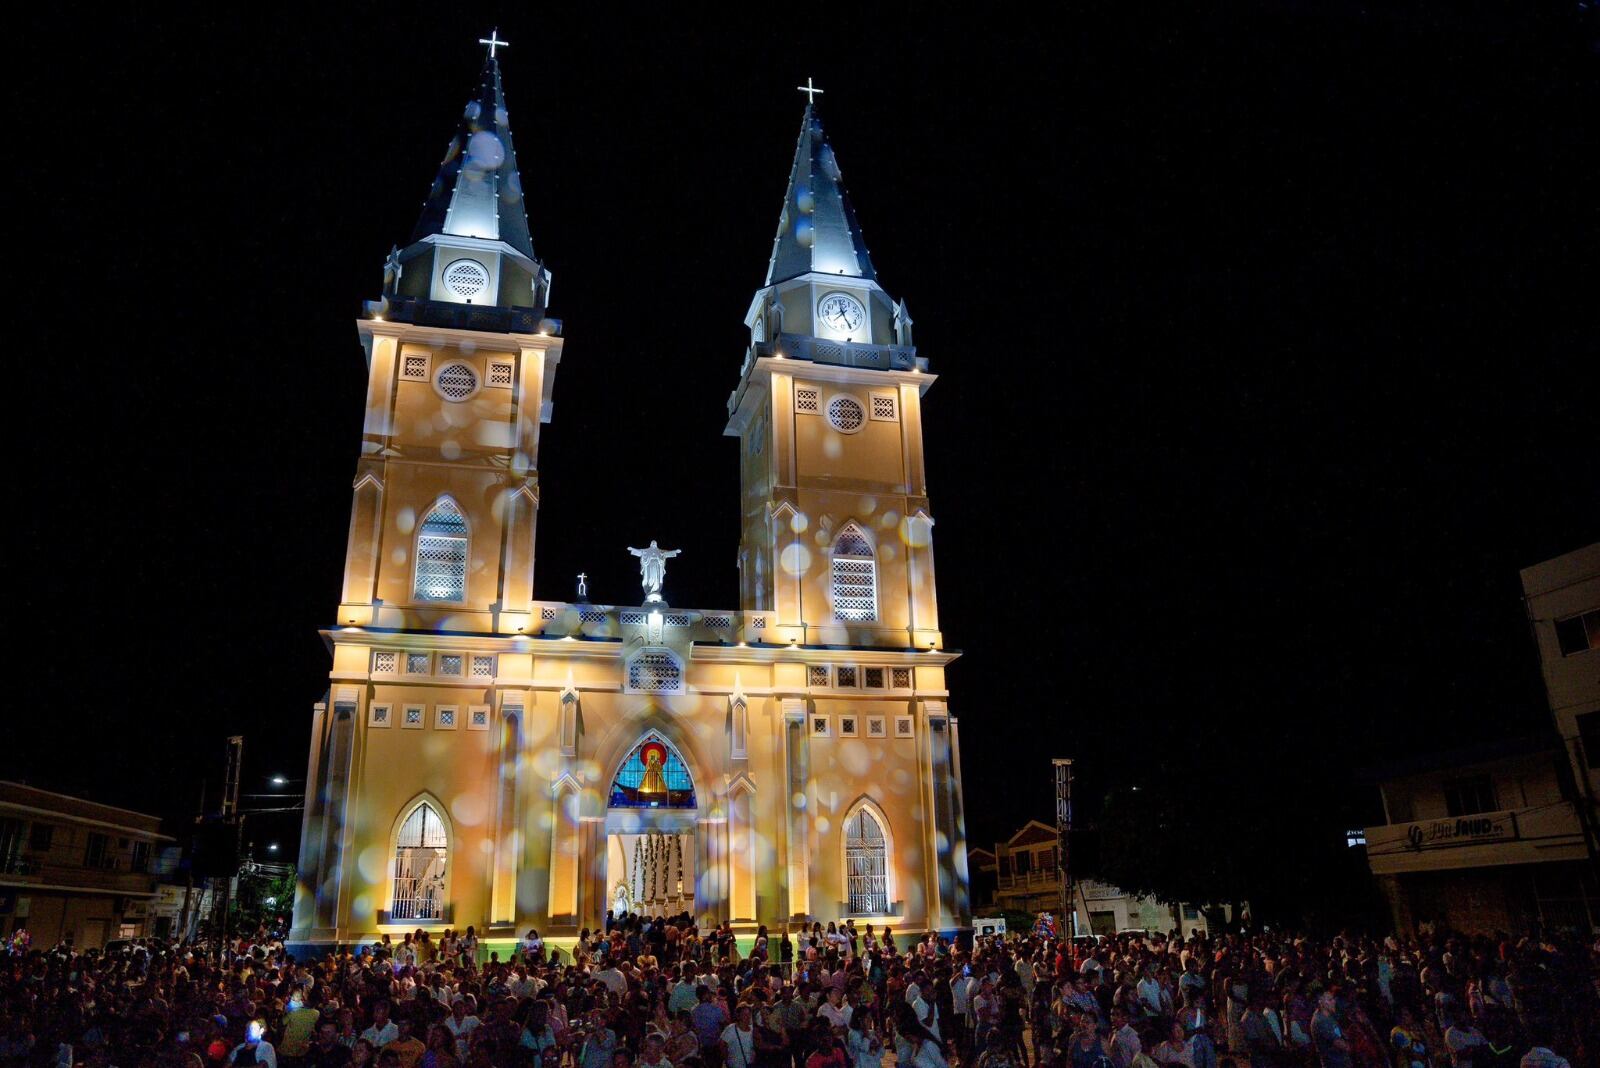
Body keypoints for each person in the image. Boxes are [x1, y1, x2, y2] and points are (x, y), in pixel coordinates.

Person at [1309, 991, 1349, 1068]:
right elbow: (1342, 1045)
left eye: (1333, 998)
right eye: (1330, 1000)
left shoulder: (1328, 1015)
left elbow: (1340, 1032)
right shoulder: (1321, 1021)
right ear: (1321, 1003)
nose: (1334, 1001)